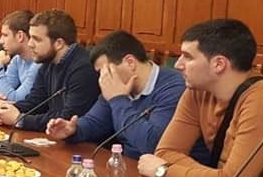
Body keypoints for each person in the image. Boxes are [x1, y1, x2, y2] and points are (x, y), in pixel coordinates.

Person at [139, 19, 263, 177]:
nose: (178, 65)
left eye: (188, 57)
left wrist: (164, 170)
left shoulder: (260, 99)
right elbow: (165, 152)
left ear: (219, 64)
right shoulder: (197, 91)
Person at [45, 30, 203, 160]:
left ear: (130, 62)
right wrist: (73, 130)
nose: (102, 79)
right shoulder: (116, 87)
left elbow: (153, 145)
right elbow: (95, 121)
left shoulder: (174, 88)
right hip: (128, 167)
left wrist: (118, 99)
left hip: (169, 176)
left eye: (105, 72)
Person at [0, 9, 99, 131]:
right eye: (30, 38)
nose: (30, 44)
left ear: (59, 43)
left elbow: (68, 119)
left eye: (36, 39)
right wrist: (4, 110)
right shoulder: (47, 62)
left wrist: (20, 119)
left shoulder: (82, 69)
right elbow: (35, 102)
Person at [0, 9, 40, 107]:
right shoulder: (17, 60)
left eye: (5, 35)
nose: (0, 41)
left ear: (20, 36)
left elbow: (16, 99)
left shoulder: (39, 64)